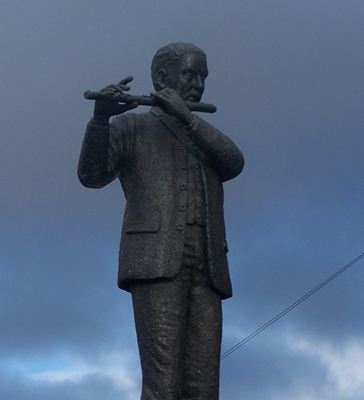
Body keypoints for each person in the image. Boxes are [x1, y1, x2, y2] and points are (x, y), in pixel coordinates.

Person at [77, 43, 244, 400]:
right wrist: (100, 119)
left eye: (202, 77)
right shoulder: (133, 127)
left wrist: (187, 117)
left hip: (208, 268)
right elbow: (92, 175)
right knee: (164, 383)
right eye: (189, 74)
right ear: (160, 78)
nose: (198, 84)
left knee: (204, 387)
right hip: (156, 262)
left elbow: (234, 163)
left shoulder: (203, 132)